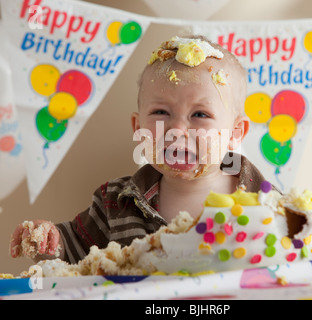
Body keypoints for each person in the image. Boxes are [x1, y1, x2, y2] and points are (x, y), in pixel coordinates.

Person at [10, 35, 271, 264]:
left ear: (235, 134)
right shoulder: (115, 202)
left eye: (200, 114)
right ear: (138, 127)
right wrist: (49, 242)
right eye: (160, 112)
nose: (177, 129)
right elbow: (74, 253)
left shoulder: (265, 202)